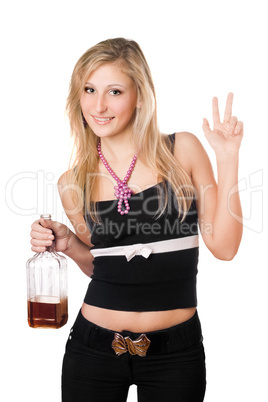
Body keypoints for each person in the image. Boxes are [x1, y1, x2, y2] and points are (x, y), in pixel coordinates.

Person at [30, 38, 243, 402]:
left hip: (175, 354)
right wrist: (67, 244)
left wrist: (227, 157)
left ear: (139, 95)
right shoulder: (72, 182)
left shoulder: (182, 150)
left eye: (114, 91)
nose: (99, 105)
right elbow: (102, 267)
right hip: (93, 348)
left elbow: (223, 247)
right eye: (89, 89)